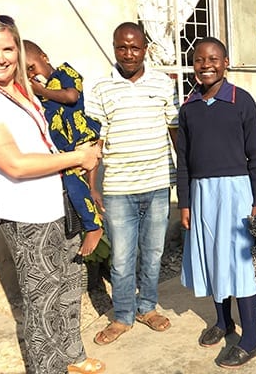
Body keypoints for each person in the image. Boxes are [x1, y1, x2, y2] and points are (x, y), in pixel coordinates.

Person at [0, 13, 104, 373]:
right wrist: (78, 156)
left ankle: (73, 356)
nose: (1, 56)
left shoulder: (24, 91)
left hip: (59, 203)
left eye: (8, 47)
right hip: (28, 216)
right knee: (42, 301)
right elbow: (14, 164)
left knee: (70, 285)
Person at [85, 22, 179, 345]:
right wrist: (92, 186)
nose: (128, 54)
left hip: (157, 184)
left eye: (134, 47)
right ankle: (123, 316)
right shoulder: (100, 88)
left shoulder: (164, 84)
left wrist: (185, 178)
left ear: (145, 49)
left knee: (153, 253)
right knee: (122, 258)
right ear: (114, 48)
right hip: (118, 190)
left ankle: (147, 307)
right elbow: (94, 143)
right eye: (121, 47)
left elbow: (175, 131)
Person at [177, 37, 256, 369]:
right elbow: (183, 160)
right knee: (213, 258)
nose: (206, 64)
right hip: (202, 194)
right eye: (199, 59)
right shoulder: (188, 107)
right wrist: (184, 202)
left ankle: (251, 338)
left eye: (213, 58)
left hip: (235, 193)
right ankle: (223, 322)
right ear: (194, 65)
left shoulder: (241, 101)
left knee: (238, 264)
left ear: (225, 62)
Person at [23, 39, 104, 258]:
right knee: (75, 186)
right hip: (66, 151)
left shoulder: (66, 73)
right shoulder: (39, 93)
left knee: (72, 183)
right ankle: (90, 218)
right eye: (25, 72)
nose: (31, 75)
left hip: (79, 137)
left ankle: (93, 227)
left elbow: (72, 96)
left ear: (45, 58)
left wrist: (42, 91)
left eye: (32, 67)